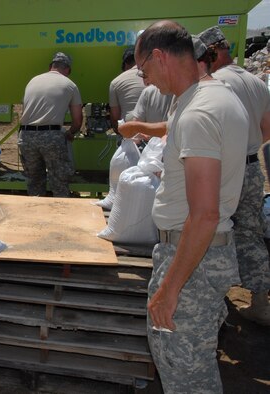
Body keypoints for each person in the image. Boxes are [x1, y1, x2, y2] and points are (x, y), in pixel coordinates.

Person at [136, 20, 248, 393]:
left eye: (145, 71)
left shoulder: (198, 112)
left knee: (186, 373)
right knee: (193, 363)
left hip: (191, 254)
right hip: (202, 252)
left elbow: (205, 214)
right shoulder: (216, 95)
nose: (147, 81)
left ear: (159, 57)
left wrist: (170, 288)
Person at [198, 25, 270, 326]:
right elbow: (268, 129)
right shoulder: (255, 82)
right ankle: (260, 302)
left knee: (213, 231)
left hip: (225, 168)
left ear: (212, 51)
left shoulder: (216, 84)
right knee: (250, 232)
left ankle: (217, 304)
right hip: (253, 167)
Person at [18, 52, 83, 197]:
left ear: (50, 67)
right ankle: (60, 216)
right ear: (67, 70)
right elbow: (77, 120)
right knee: (59, 182)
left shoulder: (33, 81)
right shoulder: (70, 85)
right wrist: (70, 133)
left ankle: (36, 215)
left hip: (26, 136)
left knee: (34, 182)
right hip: (52, 137)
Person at [108, 45, 146, 134]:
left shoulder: (116, 82)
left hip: (130, 131)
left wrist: (118, 131)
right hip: (154, 130)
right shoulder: (152, 76)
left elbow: (115, 116)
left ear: (125, 64)